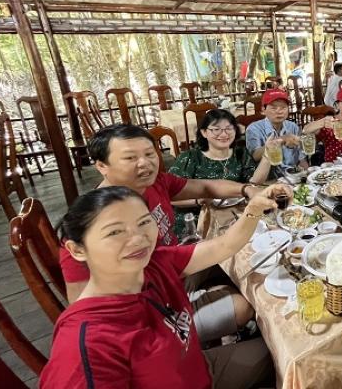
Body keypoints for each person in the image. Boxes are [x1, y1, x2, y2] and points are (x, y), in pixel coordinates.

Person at [39, 185, 289, 388]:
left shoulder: (155, 265)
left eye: (143, 222)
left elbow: (224, 246)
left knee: (289, 359)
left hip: (201, 371)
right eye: (115, 232)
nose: (138, 239)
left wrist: (253, 210)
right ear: (77, 250)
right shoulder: (86, 344)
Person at [60, 124, 259, 313]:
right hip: (157, 308)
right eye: (130, 157)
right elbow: (84, 307)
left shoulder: (155, 183)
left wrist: (247, 189)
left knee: (246, 264)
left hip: (178, 269)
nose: (144, 163)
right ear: (102, 166)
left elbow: (205, 187)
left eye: (149, 154)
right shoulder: (88, 230)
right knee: (245, 305)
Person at [246, 89, 308, 170]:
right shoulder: (254, 129)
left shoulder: (293, 127)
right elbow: (255, 156)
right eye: (274, 108)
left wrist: (308, 172)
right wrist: (281, 140)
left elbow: (301, 157)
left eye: (283, 107)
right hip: (268, 176)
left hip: (293, 173)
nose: (279, 111)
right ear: (263, 110)